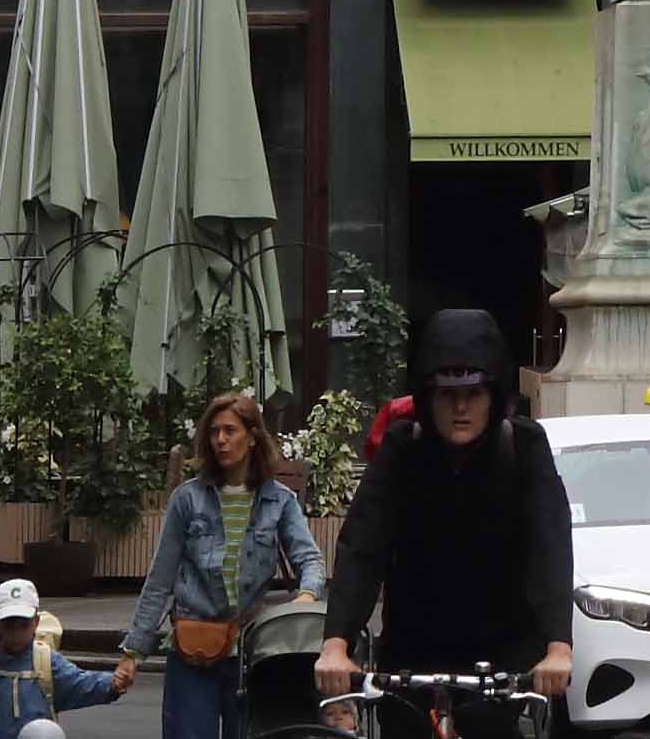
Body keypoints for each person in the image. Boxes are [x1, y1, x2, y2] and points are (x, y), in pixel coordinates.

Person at [315, 311, 573, 719]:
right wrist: (336, 643)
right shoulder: (402, 449)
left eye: (473, 394)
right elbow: (363, 547)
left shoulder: (524, 447)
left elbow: (550, 545)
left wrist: (558, 647)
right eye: (446, 395)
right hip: (412, 657)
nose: (460, 408)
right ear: (426, 399)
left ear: (494, 396)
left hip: (500, 659)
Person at [126, 391, 328, 739]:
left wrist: (308, 593)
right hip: (192, 650)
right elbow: (160, 578)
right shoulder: (187, 499)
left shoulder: (279, 500)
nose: (220, 440)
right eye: (214, 431)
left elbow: (309, 558)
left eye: (230, 430)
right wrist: (134, 651)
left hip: (251, 653)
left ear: (252, 437)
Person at [0, 582, 136, 739]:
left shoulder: (45, 660)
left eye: (23, 625)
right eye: (9, 625)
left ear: (36, 622)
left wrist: (111, 684)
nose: (16, 633)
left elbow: (80, 683)